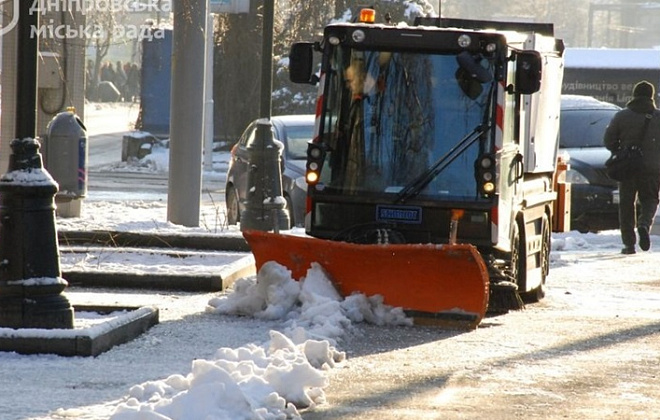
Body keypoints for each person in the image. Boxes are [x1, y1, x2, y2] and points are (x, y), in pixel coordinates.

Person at [604, 80, 660, 254]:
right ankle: (644, 224)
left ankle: (628, 244)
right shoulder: (658, 117)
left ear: (634, 95)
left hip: (627, 167)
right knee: (650, 199)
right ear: (651, 96)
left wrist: (621, 150)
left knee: (627, 204)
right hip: (652, 168)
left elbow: (608, 140)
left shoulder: (622, 116)